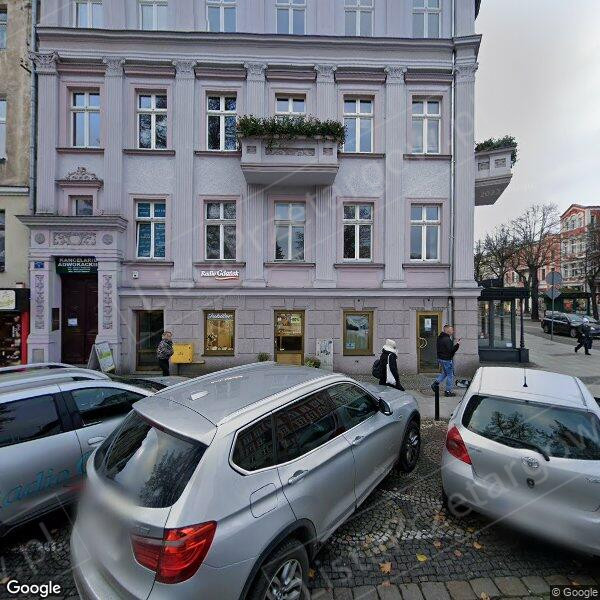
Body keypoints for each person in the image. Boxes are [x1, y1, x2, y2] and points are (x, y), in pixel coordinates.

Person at [431, 325, 461, 397]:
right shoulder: (447, 339)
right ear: (448, 331)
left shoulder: (440, 338)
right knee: (450, 375)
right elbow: (451, 351)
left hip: (441, 358)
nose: (453, 331)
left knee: (445, 373)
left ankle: (435, 383)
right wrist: (457, 345)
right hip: (446, 360)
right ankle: (448, 391)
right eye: (452, 330)